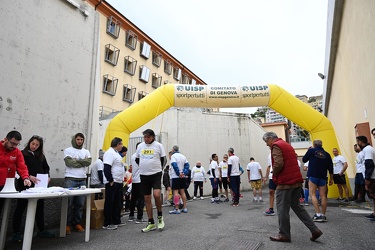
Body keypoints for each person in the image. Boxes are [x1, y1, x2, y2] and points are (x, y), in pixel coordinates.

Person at [263, 131, 322, 242]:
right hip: (295, 181)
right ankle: (315, 230)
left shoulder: (276, 146)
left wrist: (274, 174)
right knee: (297, 207)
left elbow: (278, 163)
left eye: (266, 141)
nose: (267, 144)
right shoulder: (286, 145)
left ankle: (284, 234)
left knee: (282, 209)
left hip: (285, 182)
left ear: (271, 138)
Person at [12, 135, 55, 242]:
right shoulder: (22, 154)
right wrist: (28, 176)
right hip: (25, 185)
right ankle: (16, 232)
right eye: (33, 144)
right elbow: (17, 169)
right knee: (20, 208)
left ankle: (41, 230)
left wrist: (48, 176)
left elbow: (46, 168)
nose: (34, 146)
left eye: (37, 145)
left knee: (40, 208)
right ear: (29, 143)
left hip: (39, 186)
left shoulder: (41, 156)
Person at [136, 129, 166, 232]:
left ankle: (160, 217)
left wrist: (159, 169)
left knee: (157, 195)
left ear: (153, 137)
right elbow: (137, 159)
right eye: (145, 137)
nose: (146, 139)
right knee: (147, 198)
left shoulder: (158, 146)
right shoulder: (140, 146)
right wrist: (144, 166)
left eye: (148, 137)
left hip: (156, 174)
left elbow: (164, 159)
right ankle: (151, 222)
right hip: (144, 175)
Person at [64, 133, 92, 234]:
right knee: (68, 203)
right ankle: (67, 224)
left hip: (82, 179)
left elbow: (88, 162)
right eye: (78, 139)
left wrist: (77, 160)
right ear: (74, 140)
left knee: (79, 204)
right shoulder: (68, 150)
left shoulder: (86, 151)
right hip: (70, 179)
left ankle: (77, 223)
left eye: (81, 139)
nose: (80, 141)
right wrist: (82, 162)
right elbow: (69, 163)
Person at [302, 140, 333, 222]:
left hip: (313, 175)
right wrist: (331, 178)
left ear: (314, 145)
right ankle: (323, 214)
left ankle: (318, 214)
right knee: (323, 196)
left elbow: (304, 159)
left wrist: (308, 151)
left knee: (312, 194)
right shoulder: (327, 154)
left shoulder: (311, 151)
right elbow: (331, 168)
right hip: (323, 176)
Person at [102, 138, 126, 230]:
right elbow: (107, 167)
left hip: (118, 181)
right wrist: (110, 179)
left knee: (117, 202)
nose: (122, 146)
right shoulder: (109, 153)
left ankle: (116, 220)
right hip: (113, 181)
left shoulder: (116, 153)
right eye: (121, 144)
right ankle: (107, 222)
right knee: (110, 202)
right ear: (117, 144)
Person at [0, 131, 31, 199]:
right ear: (5, 139)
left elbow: (22, 167)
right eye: (12, 143)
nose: (14, 146)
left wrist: (25, 178)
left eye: (17, 144)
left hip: (4, 185)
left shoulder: (17, 152)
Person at [356, 135, 375, 221]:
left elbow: (369, 163)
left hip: (372, 177)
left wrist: (367, 178)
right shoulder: (365, 150)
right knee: (373, 196)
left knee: (373, 195)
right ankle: (374, 213)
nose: (357, 144)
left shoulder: (368, 149)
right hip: (369, 176)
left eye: (358, 142)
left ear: (360, 141)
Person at [169, 145, 190, 214]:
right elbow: (187, 165)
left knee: (175, 192)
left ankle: (177, 208)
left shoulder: (173, 156)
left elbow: (174, 165)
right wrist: (183, 172)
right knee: (182, 192)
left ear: (173, 150)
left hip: (175, 176)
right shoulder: (183, 156)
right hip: (182, 177)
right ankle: (185, 207)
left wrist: (178, 173)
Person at [129, 142, 146, 223]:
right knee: (141, 199)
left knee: (133, 198)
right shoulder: (141, 156)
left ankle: (131, 215)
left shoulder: (133, 156)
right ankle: (139, 217)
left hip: (134, 179)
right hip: (140, 180)